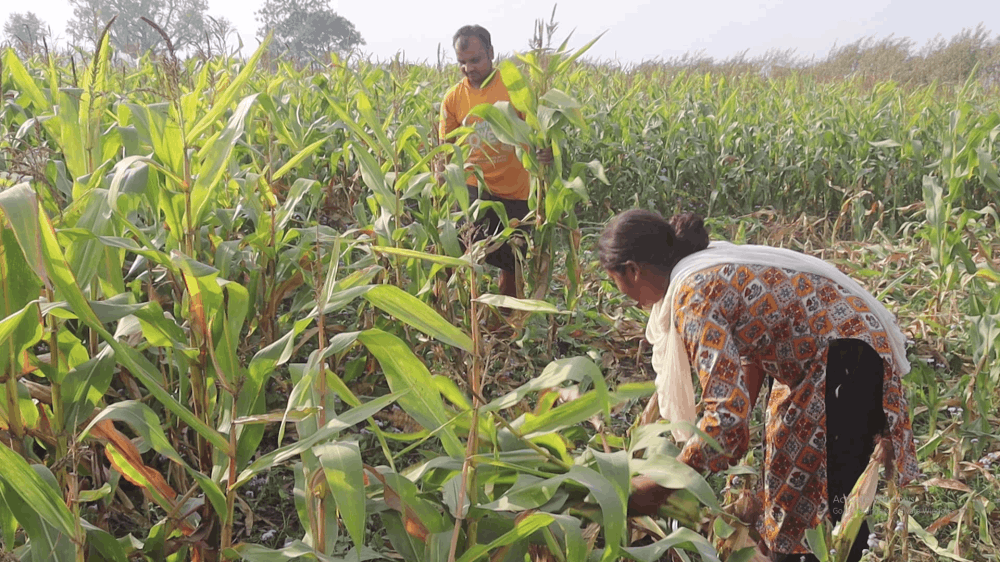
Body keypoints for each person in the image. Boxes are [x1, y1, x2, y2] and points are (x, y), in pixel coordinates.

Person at [598, 210, 920, 562]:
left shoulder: (694, 293)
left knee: (830, 506)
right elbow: (751, 345)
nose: (630, 298)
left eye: (621, 284)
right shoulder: (698, 267)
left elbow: (726, 419)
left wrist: (665, 485)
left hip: (842, 358)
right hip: (813, 357)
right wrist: (731, 425)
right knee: (790, 498)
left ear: (633, 269)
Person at [439, 24, 549, 298]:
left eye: (475, 60)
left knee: (510, 265)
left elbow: (537, 133)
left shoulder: (514, 88)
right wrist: (441, 178)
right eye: (461, 63)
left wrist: (544, 153)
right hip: (471, 189)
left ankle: (507, 327)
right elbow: (445, 149)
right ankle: (446, 312)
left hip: (515, 191)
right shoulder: (453, 98)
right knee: (454, 253)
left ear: (490, 52)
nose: (468, 69)